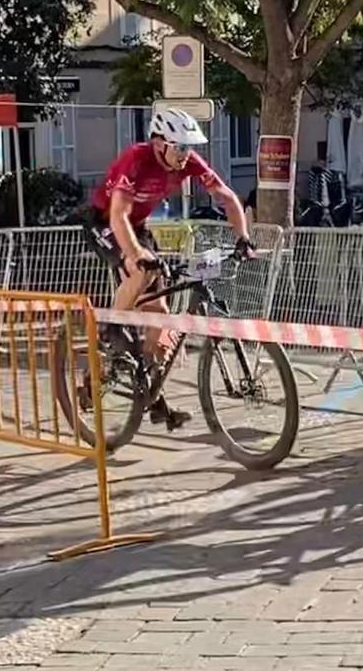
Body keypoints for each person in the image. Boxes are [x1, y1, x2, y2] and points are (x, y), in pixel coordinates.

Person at [89, 105, 254, 430]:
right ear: (159, 142)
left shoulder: (189, 162)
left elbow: (226, 196)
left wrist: (243, 237)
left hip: (137, 226)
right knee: (141, 270)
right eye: (179, 147)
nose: (184, 155)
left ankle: (148, 387)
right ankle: (110, 330)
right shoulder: (137, 159)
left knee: (161, 311)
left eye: (188, 147)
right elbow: (118, 214)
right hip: (104, 222)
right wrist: (136, 254)